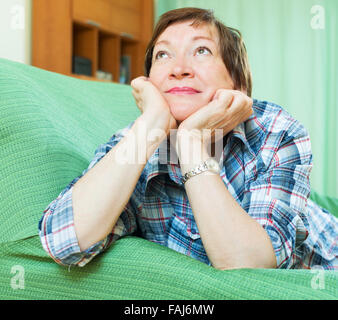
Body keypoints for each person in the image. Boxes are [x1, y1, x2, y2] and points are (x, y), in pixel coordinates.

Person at [38, 7, 338, 270]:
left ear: (238, 84)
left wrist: (190, 142)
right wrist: (153, 122)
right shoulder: (134, 142)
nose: (178, 69)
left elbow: (247, 265)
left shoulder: (276, 131)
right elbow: (65, 243)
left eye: (202, 51)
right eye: (163, 55)